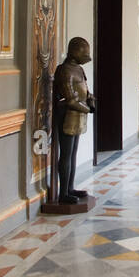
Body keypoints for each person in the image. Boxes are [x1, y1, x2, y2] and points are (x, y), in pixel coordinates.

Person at [53, 36, 95, 203]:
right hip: (68, 115)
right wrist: (88, 108)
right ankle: (63, 193)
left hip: (79, 114)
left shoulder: (78, 69)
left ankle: (70, 188)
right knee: (66, 154)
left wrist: (91, 99)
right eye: (83, 52)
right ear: (75, 51)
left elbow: (85, 89)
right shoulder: (64, 70)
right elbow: (70, 99)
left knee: (73, 153)